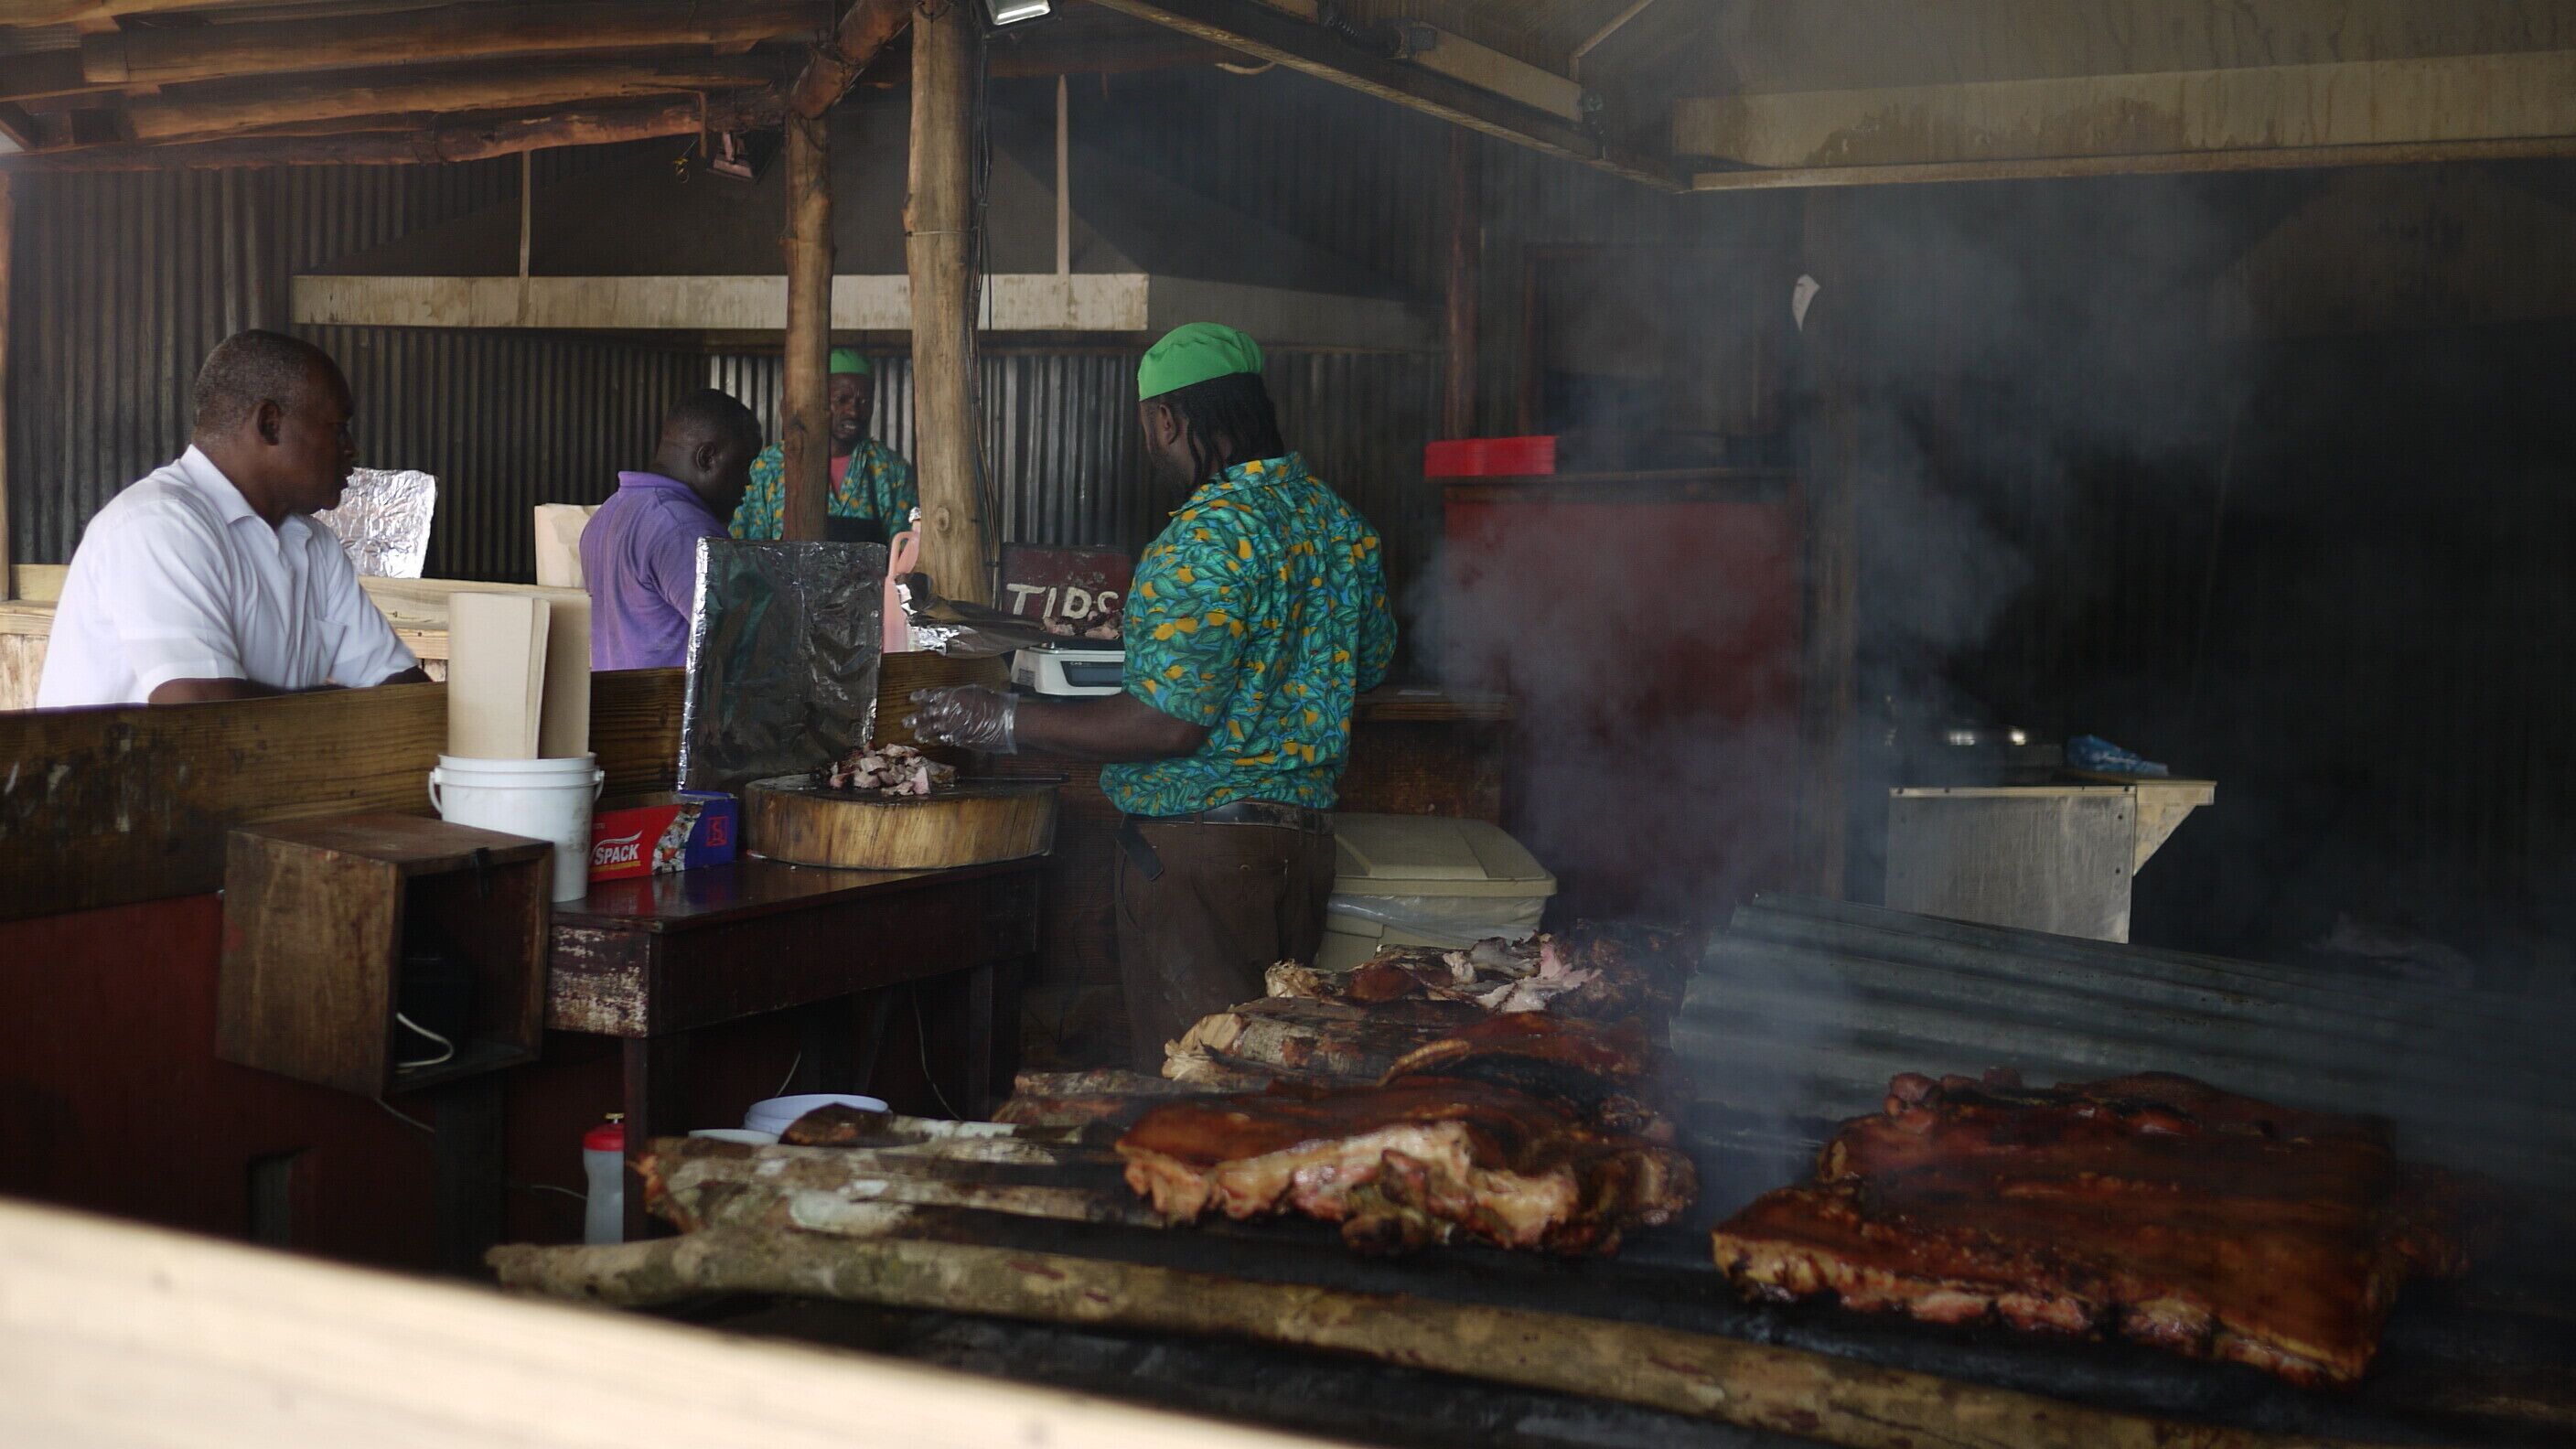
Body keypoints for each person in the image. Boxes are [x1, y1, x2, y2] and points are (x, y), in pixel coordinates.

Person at [907, 323, 1396, 1068]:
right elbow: (1368, 666)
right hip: (1302, 854)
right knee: (1277, 1088)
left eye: (1149, 428)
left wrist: (1006, 720)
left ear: (1168, 419)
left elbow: (1167, 725)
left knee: (1203, 1083)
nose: (1150, 445)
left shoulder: (1205, 537)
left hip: (1200, 865)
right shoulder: (1340, 525)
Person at [37, 330, 429, 708]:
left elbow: (401, 690)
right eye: (338, 430)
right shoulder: (158, 524)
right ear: (269, 424)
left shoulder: (313, 544)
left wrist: (377, 706)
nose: (352, 450)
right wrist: (358, 709)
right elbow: (200, 709)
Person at [583, 389, 763, 671]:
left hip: (621, 711)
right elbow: (743, 641)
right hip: (668, 710)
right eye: (742, 466)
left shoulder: (607, 514)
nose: (748, 481)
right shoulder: (683, 528)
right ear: (706, 458)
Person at [728, 348, 918, 542]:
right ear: (819, 399)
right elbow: (745, 549)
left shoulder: (892, 471)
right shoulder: (770, 466)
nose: (853, 411)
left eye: (864, 402)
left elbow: (904, 555)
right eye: (842, 400)